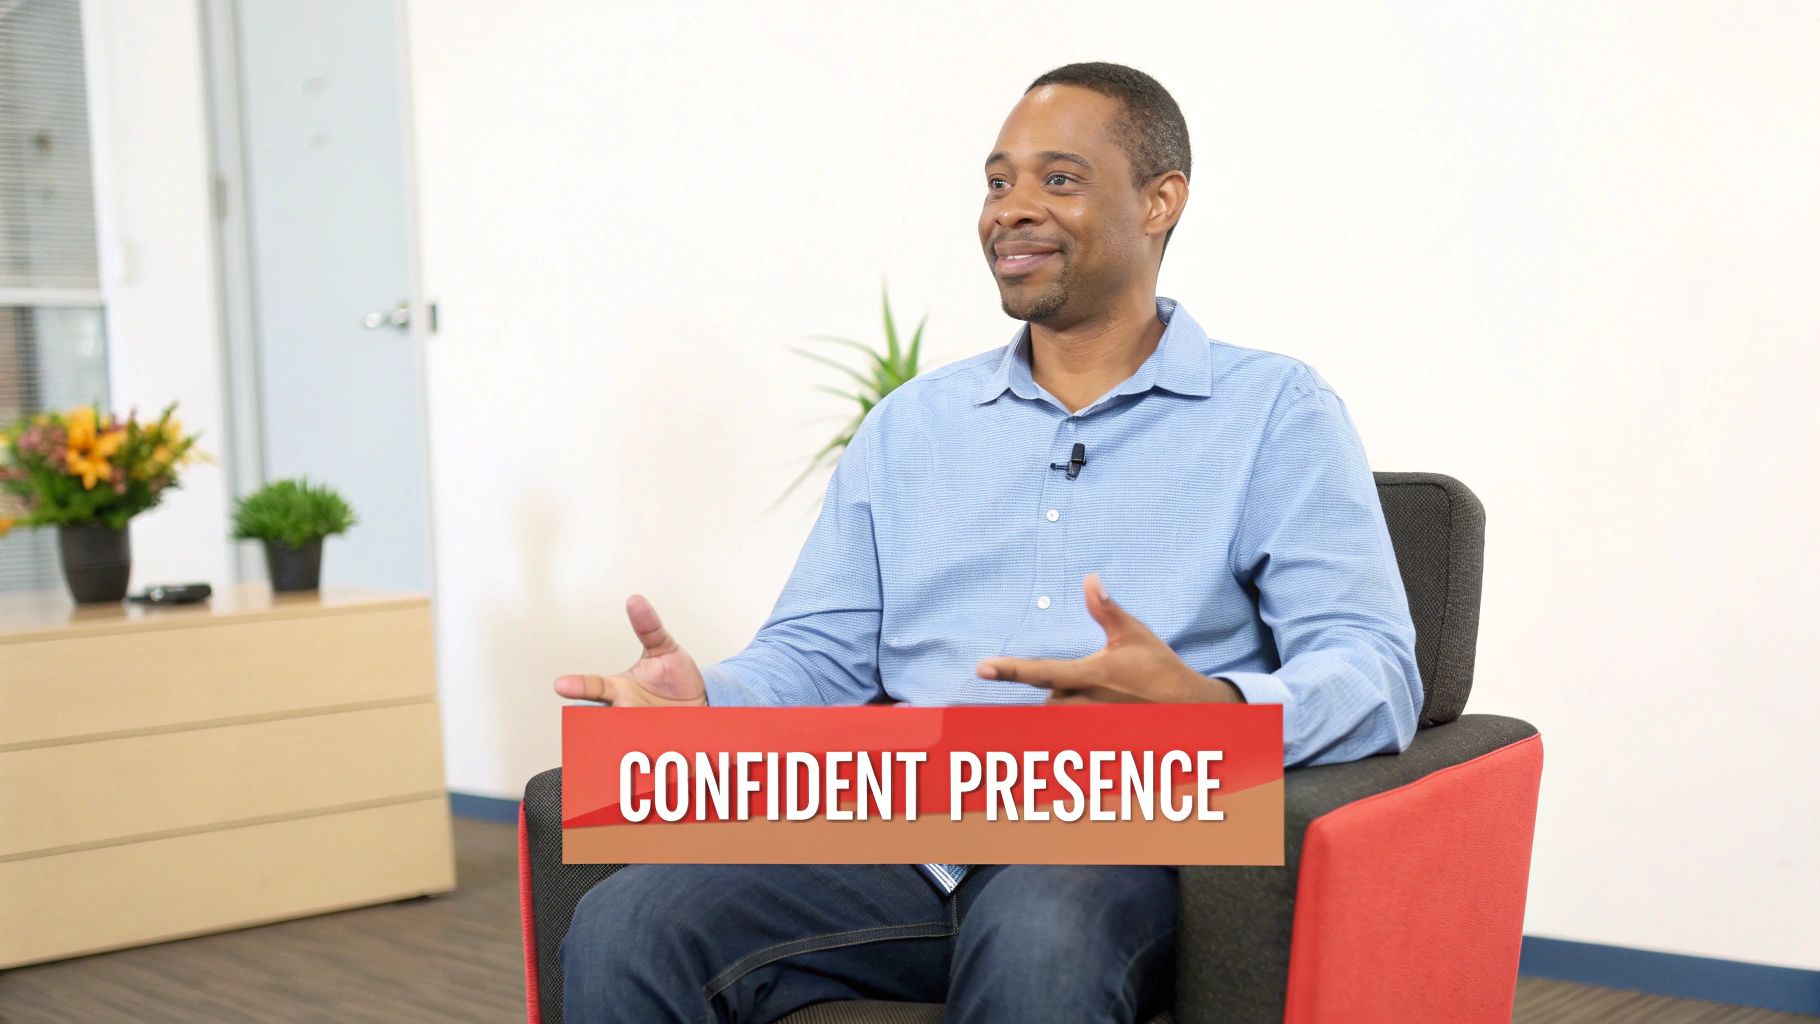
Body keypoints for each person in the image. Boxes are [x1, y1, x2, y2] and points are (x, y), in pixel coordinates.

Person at [553, 61, 1421, 1024]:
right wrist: (710, 701)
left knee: (1041, 939)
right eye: (998, 181)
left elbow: (1374, 668)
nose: (1011, 209)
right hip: (911, 826)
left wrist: (1212, 709)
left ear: (1160, 201)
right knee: (628, 922)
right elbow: (822, 653)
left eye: (1060, 179)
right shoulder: (911, 425)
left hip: (1120, 831)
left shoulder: (1274, 412)